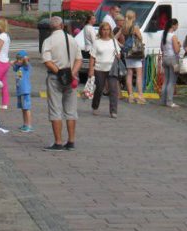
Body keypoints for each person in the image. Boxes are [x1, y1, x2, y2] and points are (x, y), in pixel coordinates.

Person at [41, 17, 81, 151]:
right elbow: (79, 59)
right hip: (71, 77)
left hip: (55, 77)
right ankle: (71, 141)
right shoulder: (72, 39)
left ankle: (58, 142)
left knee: (55, 109)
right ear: (62, 26)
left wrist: (60, 73)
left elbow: (47, 61)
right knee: (71, 110)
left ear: (50, 28)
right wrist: (72, 74)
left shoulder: (48, 41)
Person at [88, 20, 122, 118]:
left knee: (113, 89)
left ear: (110, 30)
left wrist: (118, 55)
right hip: (99, 69)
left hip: (111, 69)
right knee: (99, 88)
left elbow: (118, 53)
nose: (106, 31)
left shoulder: (113, 41)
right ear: (101, 30)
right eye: (104, 29)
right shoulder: (97, 42)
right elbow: (92, 57)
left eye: (108, 29)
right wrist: (91, 69)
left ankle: (113, 111)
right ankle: (95, 106)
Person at [119, 10, 146, 104]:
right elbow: (140, 38)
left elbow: (116, 38)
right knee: (139, 74)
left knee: (129, 73)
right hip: (135, 52)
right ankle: (140, 95)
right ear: (133, 17)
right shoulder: (135, 27)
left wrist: (122, 46)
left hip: (127, 53)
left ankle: (130, 95)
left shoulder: (124, 27)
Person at [158, 19, 181, 108]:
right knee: (172, 81)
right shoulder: (173, 36)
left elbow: (161, 48)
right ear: (173, 25)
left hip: (165, 58)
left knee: (166, 80)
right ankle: (169, 101)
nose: (177, 27)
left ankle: (163, 100)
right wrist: (179, 45)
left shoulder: (164, 35)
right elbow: (177, 50)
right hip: (173, 59)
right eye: (177, 25)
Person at [13, 50, 32, 132]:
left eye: (20, 59)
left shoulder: (26, 67)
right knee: (23, 109)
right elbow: (13, 66)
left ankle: (29, 125)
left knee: (26, 108)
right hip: (20, 91)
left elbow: (26, 63)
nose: (18, 61)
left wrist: (25, 59)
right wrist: (16, 61)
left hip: (25, 90)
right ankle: (25, 124)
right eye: (18, 59)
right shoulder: (18, 67)